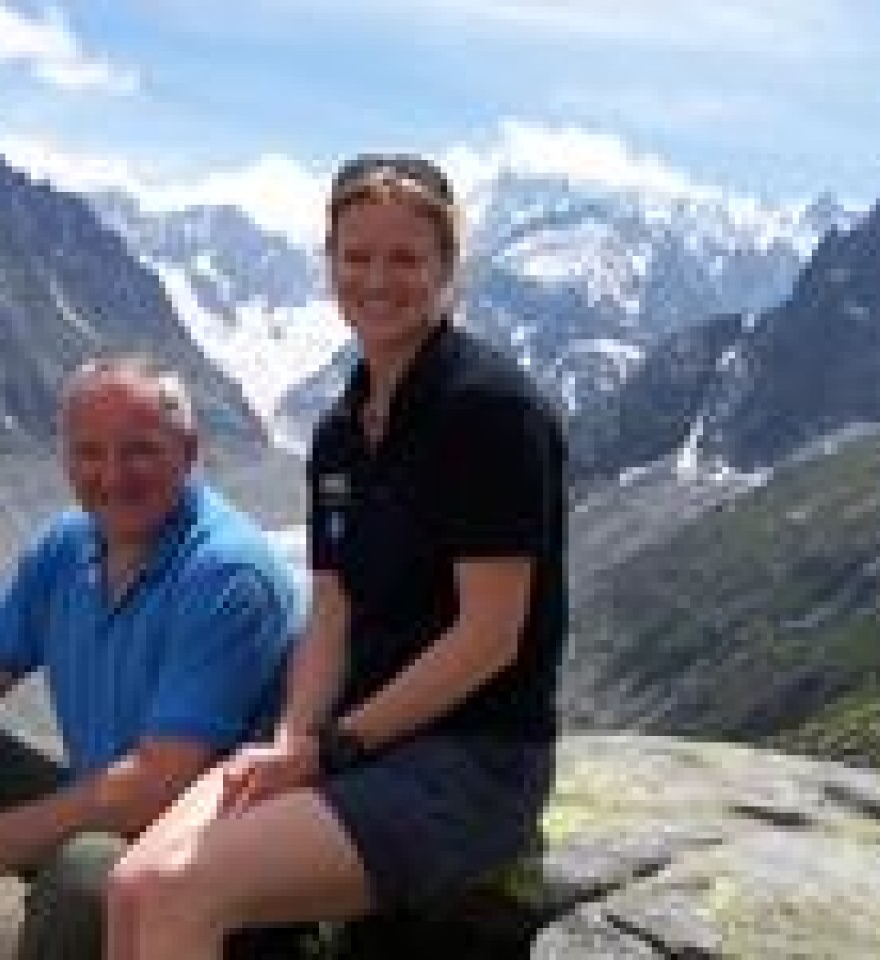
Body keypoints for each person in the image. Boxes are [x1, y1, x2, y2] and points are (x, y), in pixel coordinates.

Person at [106, 153, 567, 960]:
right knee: (131, 884)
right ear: (328, 262)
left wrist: (333, 749)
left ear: (448, 269)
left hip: (471, 761)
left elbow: (489, 639)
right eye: (356, 257)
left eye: (405, 259)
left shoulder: (490, 412)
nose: (377, 280)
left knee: (183, 890)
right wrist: (291, 739)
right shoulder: (342, 429)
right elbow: (332, 609)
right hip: (356, 745)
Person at [0, 356, 302, 959]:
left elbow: (159, 784)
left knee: (84, 874)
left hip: (208, 863)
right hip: (113, 819)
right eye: (89, 452)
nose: (112, 476)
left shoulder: (228, 574)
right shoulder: (69, 545)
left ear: (189, 449)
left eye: (139, 450)